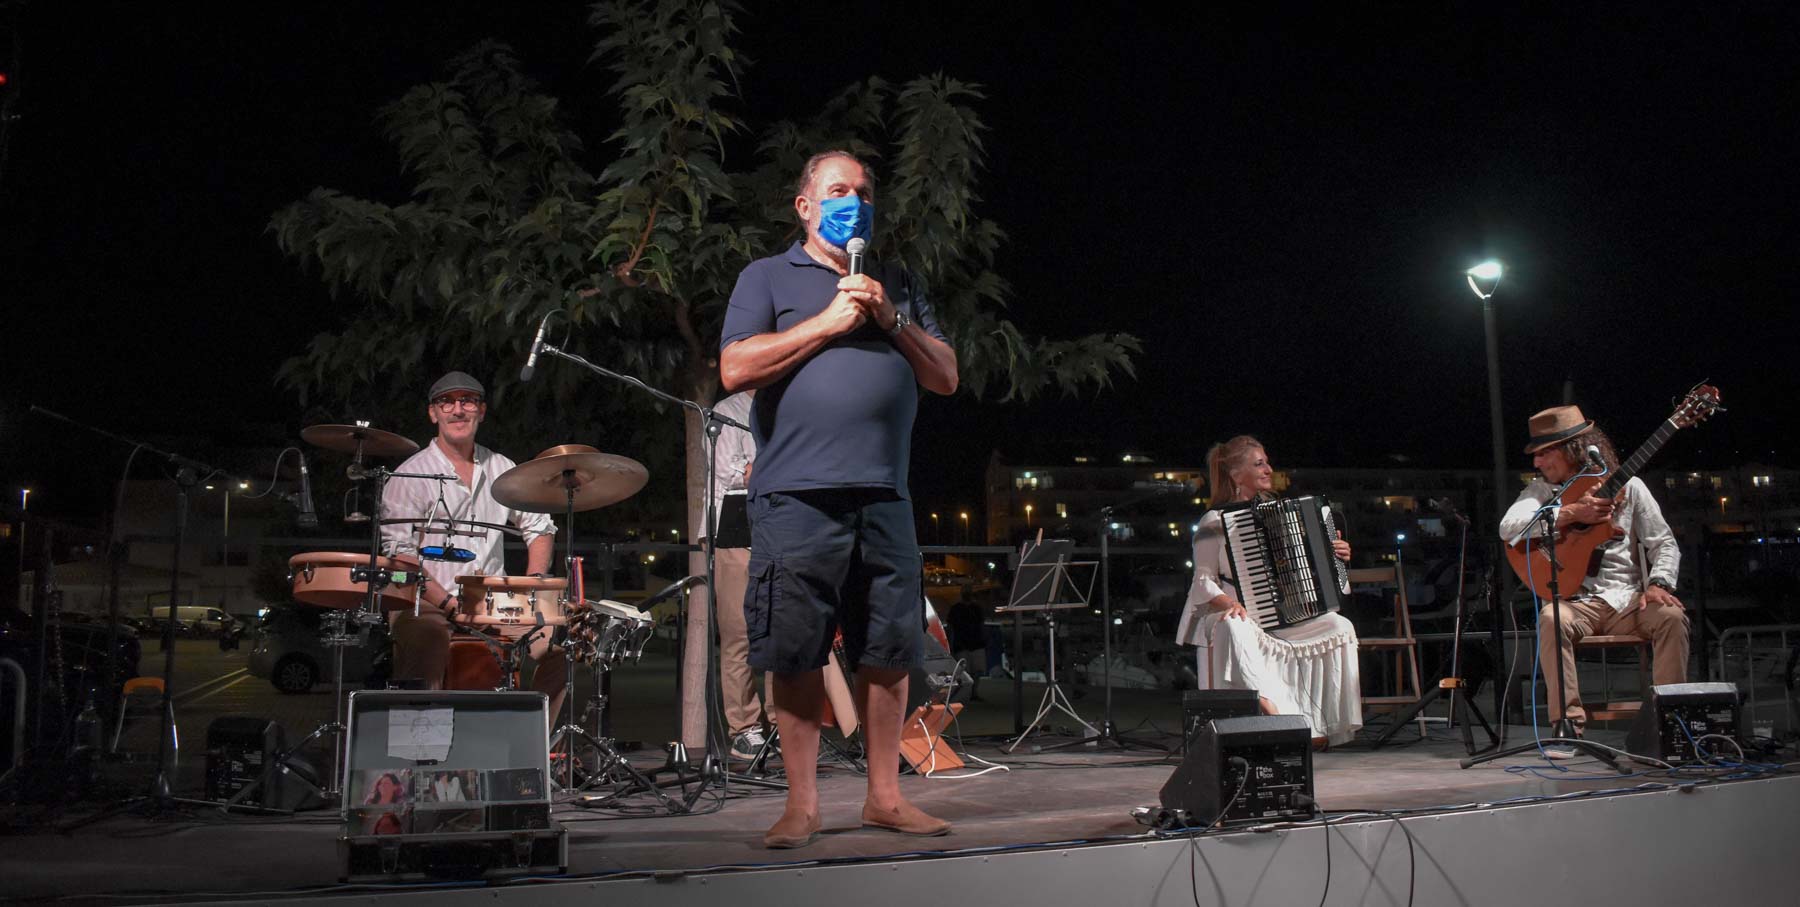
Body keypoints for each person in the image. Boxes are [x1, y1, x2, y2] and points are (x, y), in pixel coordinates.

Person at [719, 150, 959, 848]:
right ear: (805, 205)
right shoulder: (766, 277)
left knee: (888, 647)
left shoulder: (899, 284)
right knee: (795, 649)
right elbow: (735, 366)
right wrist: (827, 322)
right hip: (797, 496)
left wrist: (888, 317)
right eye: (836, 190)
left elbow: (944, 376)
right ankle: (802, 804)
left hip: (885, 494)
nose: (852, 200)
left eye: (862, 191)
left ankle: (884, 796)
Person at [1498, 405, 1687, 747]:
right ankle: (1566, 726)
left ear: (1573, 448)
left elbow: (1664, 543)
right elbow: (1508, 529)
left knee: (1672, 617)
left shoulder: (1631, 488)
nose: (1537, 463)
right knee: (1551, 618)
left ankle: (1669, 724)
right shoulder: (1541, 493)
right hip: (1576, 602)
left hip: (1629, 601)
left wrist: (1659, 583)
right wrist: (1570, 513)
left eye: (1543, 453)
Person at [381, 371, 566, 717]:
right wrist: (449, 604)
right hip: (427, 600)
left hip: (492, 598)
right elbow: (399, 555)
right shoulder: (409, 474)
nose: (458, 410)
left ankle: (532, 740)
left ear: (481, 411)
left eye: (467, 401)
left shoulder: (501, 466)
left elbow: (540, 527)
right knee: (428, 639)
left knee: (557, 646)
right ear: (433, 413)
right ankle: (422, 755)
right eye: (446, 402)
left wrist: (532, 585)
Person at [1176, 435, 1363, 746]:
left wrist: (1335, 555)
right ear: (1236, 475)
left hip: (1282, 614)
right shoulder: (1214, 520)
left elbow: (1306, 563)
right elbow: (1202, 579)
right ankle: (1273, 711)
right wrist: (1227, 603)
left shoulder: (1283, 513)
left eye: (1266, 462)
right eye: (1259, 463)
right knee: (1235, 626)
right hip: (1231, 612)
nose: (1268, 469)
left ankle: (1321, 726)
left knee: (1339, 625)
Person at [705, 389, 771, 760]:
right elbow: (730, 475)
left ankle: (782, 721)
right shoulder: (727, 411)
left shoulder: (788, 402)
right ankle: (745, 728)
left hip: (780, 529)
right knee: (739, 633)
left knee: (783, 630)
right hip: (735, 534)